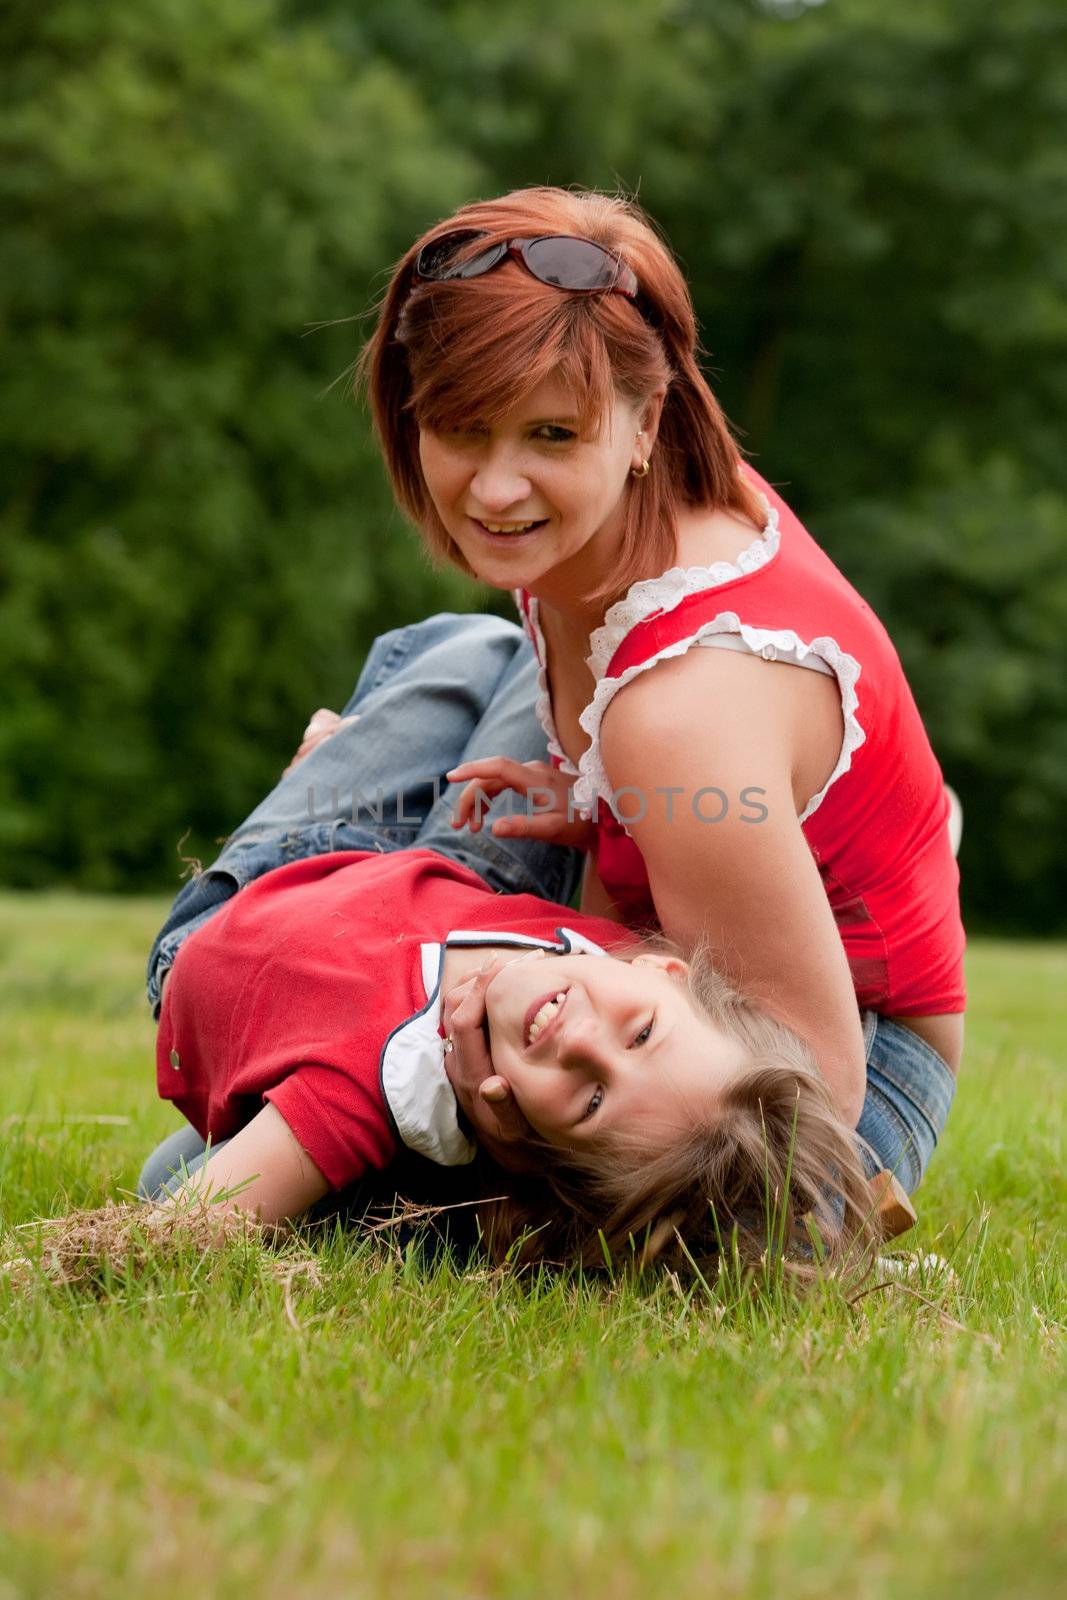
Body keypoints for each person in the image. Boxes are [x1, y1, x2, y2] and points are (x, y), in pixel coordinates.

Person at [352, 185, 964, 1197]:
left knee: (203, 1173)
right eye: (460, 427)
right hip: (649, 958)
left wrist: (513, 1131)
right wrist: (613, 809)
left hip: (816, 1083)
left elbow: (810, 1091)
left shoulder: (679, 711)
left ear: (646, 422)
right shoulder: (609, 525)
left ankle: (238, 918)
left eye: (550, 435)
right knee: (440, 654)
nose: (494, 489)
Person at [139, 614, 878, 1276]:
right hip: (444, 888)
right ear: (661, 967)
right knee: (541, 659)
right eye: (641, 1032)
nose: (581, 1040)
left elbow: (180, 1223)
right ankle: (359, 748)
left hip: (282, 879)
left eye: (590, 1099)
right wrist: (593, 806)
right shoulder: (594, 950)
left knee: (461, 649)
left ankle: (333, 754)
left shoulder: (378, 1082)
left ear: (534, 1140)